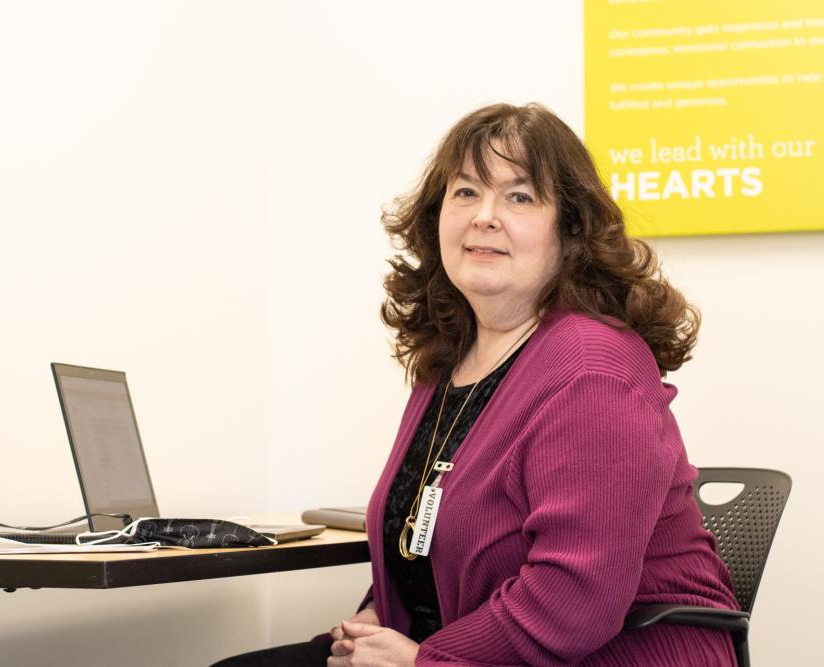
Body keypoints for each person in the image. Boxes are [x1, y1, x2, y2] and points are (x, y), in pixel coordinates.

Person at [213, 102, 739, 666]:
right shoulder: (448, 362)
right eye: (465, 192)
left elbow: (574, 602)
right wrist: (377, 619)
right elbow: (424, 538)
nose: (484, 215)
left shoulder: (593, 369)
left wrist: (419, 661)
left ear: (570, 232)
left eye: (519, 196)